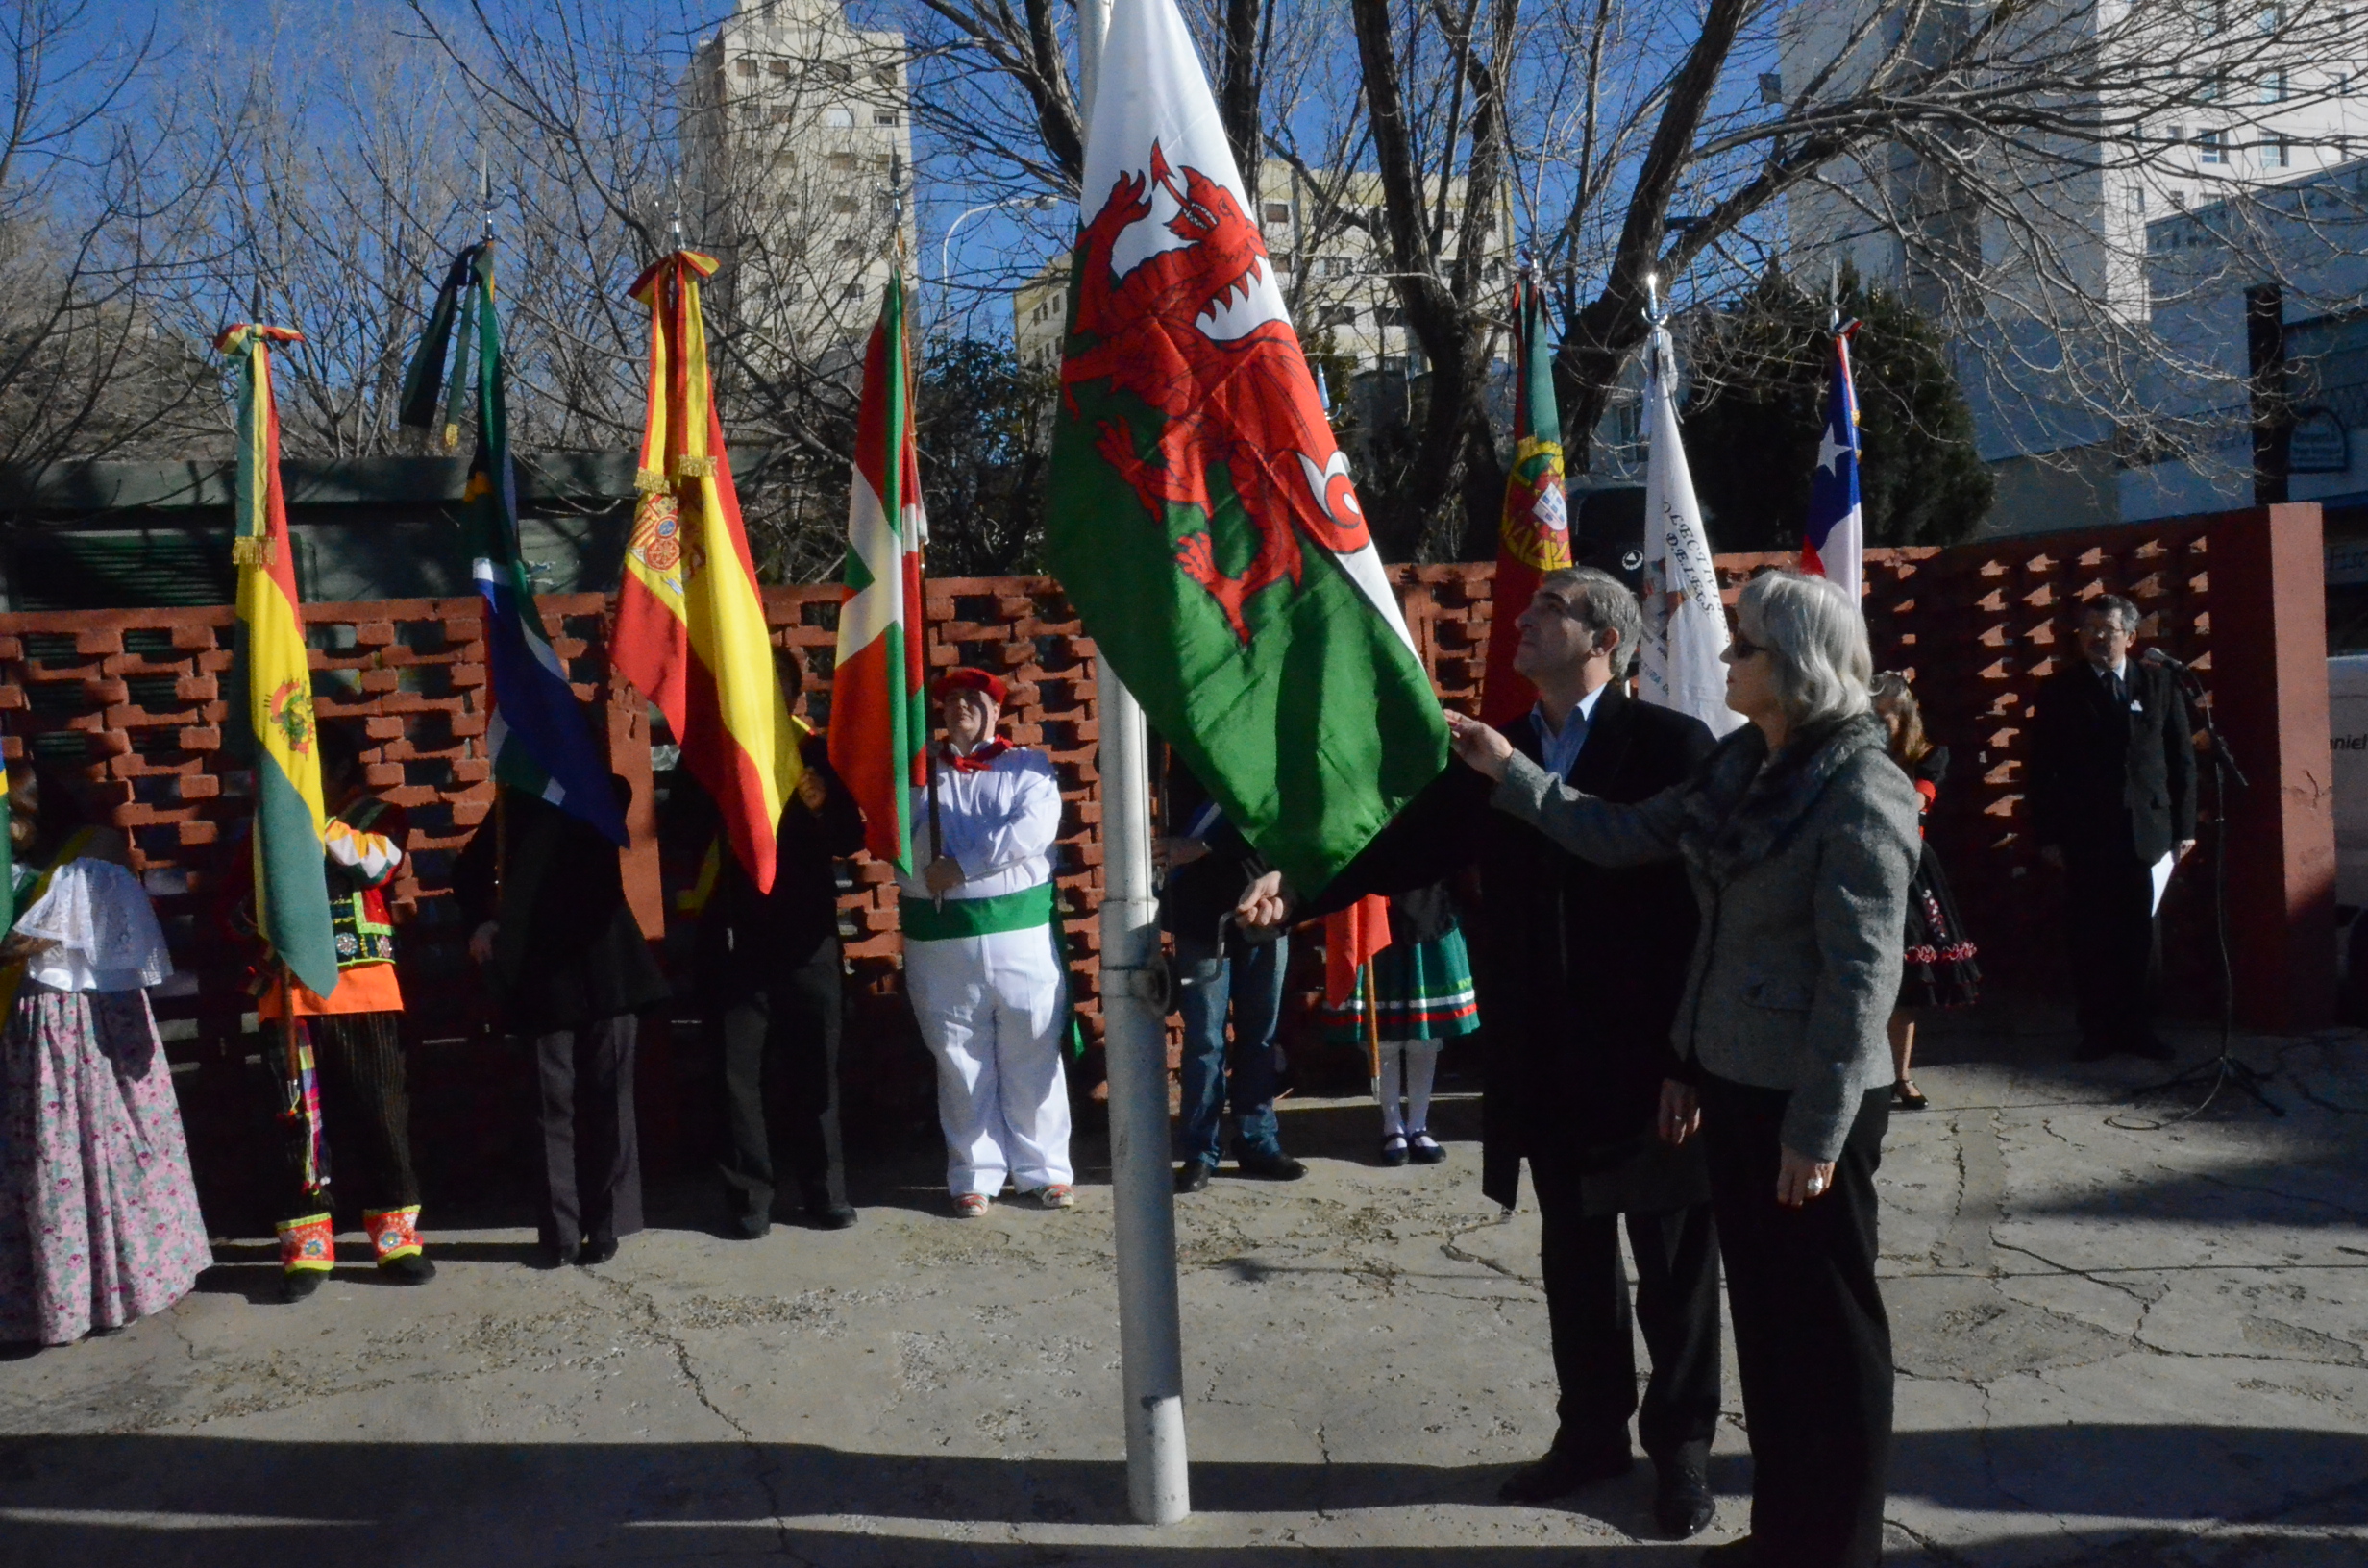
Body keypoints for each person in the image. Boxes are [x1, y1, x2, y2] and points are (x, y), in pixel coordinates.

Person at [1423, 569, 1920, 1568]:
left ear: (1796, 668)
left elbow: (1863, 977)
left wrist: (1815, 1132)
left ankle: (1841, 1547)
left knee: (1829, 1337)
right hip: (1736, 1084)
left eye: (1744, 649)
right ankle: (1785, 1533)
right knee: (1772, 1333)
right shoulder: (1744, 764)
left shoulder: (1863, 786)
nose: (1725, 661)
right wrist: (1508, 766)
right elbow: (1620, 835)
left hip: (1808, 1107)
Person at [1259, 567, 1724, 1538]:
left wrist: (1688, 1056)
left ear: (1603, 639)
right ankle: (1590, 1436)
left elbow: (1699, 915)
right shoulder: (1492, 754)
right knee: (1573, 1258)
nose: (1522, 621)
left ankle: (1681, 1452)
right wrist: (1296, 893)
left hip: (1648, 1059)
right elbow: (1400, 847)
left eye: (1546, 611)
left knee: (1674, 1269)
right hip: (1542, 1053)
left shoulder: (1668, 746)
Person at [0, 764, 210, 1345]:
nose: (10, 828)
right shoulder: (19, 868)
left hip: (85, 1022)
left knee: (101, 1143)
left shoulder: (90, 853)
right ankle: (49, 1297)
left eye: (15, 815)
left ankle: (126, 1282)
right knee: (45, 1156)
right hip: (31, 1025)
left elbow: (29, 938)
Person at [250, 723, 434, 1300]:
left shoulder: (382, 815)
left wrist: (312, 821)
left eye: (309, 771)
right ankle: (307, 1247)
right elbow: (237, 901)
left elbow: (377, 867)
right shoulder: (265, 828)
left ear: (342, 772)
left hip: (365, 992)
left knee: (381, 1113)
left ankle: (397, 1238)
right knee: (297, 1125)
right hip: (290, 997)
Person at [456, 777, 668, 1266]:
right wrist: (482, 923)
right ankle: (560, 1233)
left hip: (606, 967)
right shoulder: (515, 805)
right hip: (540, 971)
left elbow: (616, 802)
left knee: (611, 1099)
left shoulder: (602, 789)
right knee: (549, 1106)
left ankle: (608, 1225)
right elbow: (468, 870)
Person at [693, 650, 865, 1236]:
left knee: (815, 1066)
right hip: (734, 933)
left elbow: (852, 837)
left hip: (806, 935)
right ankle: (749, 1200)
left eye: (777, 685)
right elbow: (678, 834)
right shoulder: (716, 755)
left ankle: (825, 1192)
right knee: (735, 1073)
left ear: (793, 696)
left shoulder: (817, 752)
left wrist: (821, 804)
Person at [897, 668, 1075, 1217]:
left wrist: (963, 864)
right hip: (942, 938)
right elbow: (901, 834)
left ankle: (1044, 1171)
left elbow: (1033, 830)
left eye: (975, 700)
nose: (962, 708)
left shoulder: (1029, 767)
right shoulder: (919, 775)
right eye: (951, 701)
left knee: (1032, 1048)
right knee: (958, 1059)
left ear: (997, 711)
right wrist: (941, 861)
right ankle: (973, 1173)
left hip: (1017, 933)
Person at [2027, 595, 2196, 1062]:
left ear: (2130, 637)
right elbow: (2042, 770)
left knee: (2141, 936)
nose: (2097, 638)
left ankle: (2139, 1027)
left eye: (2107, 630)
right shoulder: (2061, 691)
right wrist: (2048, 835)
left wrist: (2184, 825)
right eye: (2089, 630)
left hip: (2147, 831)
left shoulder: (2159, 684)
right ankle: (2096, 1030)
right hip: (2087, 835)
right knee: (2091, 936)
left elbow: (2181, 758)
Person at [1159, 755, 1304, 1192]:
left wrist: (1208, 848)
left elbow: (1279, 824)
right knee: (1204, 1039)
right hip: (1203, 916)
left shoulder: (1269, 754)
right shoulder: (1186, 759)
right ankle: (1200, 1150)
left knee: (1261, 1033)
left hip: (1265, 913)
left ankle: (1257, 1139)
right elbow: (1179, 836)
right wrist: (1202, 849)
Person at [1869, 672, 1981, 1112]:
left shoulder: (1929, 756)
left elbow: (1915, 802)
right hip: (1858, 862)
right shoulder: (1854, 752)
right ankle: (1868, 1072)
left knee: (1908, 979)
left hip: (1908, 868)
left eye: (1883, 719)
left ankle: (1901, 1075)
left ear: (1904, 716)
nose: (1875, 727)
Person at [1323, 884, 1480, 1165]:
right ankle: (1392, 1126)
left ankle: (1419, 1124)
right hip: (1378, 913)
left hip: (1430, 906)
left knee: (1425, 1034)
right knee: (1386, 1037)